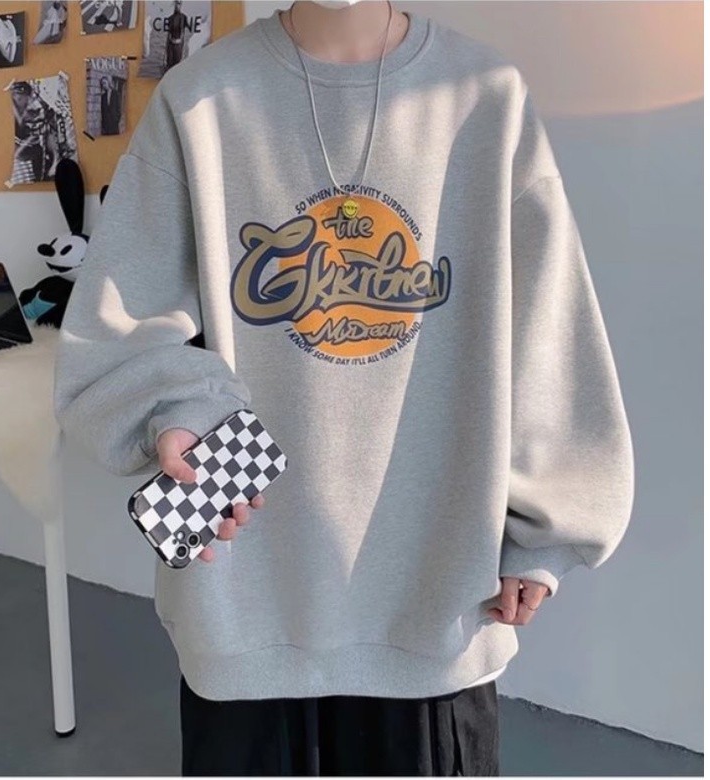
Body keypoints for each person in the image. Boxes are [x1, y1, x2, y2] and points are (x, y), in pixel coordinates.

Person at [53, 0, 635, 775]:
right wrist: (181, 410)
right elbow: (120, 326)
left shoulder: (484, 96)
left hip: (435, 609)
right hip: (246, 603)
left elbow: (549, 326)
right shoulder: (199, 99)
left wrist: (543, 533)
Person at [164, 0, 196, 72]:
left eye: (178, 4)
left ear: (180, 5)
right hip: (170, 44)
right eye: (176, 4)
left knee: (177, 64)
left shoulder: (184, 17)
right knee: (169, 64)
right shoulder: (170, 18)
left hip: (179, 44)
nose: (177, 6)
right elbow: (168, 33)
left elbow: (190, 28)